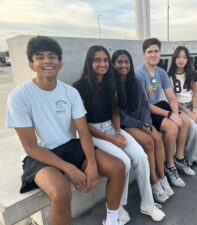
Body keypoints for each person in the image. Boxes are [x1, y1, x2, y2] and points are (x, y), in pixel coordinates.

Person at [6, 36, 125, 225]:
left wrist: (92, 164)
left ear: (60, 63)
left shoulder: (70, 93)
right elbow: (30, 147)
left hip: (70, 146)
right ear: (31, 64)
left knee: (118, 167)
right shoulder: (19, 96)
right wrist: (69, 168)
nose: (46, 61)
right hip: (39, 155)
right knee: (60, 191)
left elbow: (83, 132)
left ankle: (112, 220)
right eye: (39, 57)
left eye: (52, 56)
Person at [73, 45, 165, 223]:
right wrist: (111, 139)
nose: (102, 63)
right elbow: (82, 125)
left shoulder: (110, 83)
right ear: (89, 62)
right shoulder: (79, 87)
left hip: (112, 128)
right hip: (94, 133)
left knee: (141, 156)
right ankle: (117, 206)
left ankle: (147, 203)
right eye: (97, 60)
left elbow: (115, 112)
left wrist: (117, 132)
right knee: (124, 163)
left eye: (105, 60)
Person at [111, 49, 174, 203]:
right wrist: (140, 125)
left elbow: (145, 106)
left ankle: (162, 178)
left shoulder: (135, 81)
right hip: (124, 125)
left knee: (157, 140)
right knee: (148, 142)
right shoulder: (111, 86)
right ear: (113, 64)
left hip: (141, 121)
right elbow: (119, 114)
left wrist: (147, 123)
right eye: (119, 62)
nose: (123, 65)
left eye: (126, 62)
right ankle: (153, 182)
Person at [135, 38, 195, 188]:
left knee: (185, 121)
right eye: (150, 52)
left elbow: (172, 97)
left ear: (160, 53)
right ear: (144, 54)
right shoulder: (139, 74)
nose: (153, 54)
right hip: (145, 110)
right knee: (172, 127)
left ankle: (179, 159)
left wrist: (175, 114)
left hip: (159, 105)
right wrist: (170, 116)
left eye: (156, 51)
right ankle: (169, 166)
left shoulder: (161, 72)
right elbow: (145, 104)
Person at [168, 46, 197, 166]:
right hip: (179, 108)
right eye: (178, 57)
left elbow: (195, 95)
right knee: (193, 128)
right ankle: (188, 157)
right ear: (174, 58)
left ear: (188, 59)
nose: (181, 60)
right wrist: (189, 113)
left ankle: (196, 157)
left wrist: (194, 110)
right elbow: (172, 99)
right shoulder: (170, 76)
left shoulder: (193, 74)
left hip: (191, 107)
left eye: (184, 57)